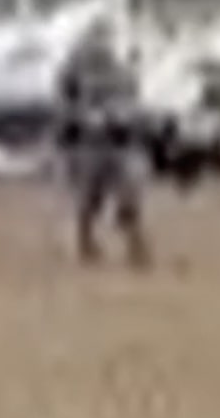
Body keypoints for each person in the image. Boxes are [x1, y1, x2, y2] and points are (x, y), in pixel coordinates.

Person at [54, 20, 150, 268]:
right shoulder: (74, 69)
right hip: (90, 142)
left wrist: (127, 115)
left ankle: (135, 243)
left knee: (130, 190)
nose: (101, 44)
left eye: (105, 38)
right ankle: (85, 239)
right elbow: (62, 103)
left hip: (122, 139)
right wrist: (80, 118)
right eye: (97, 38)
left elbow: (134, 98)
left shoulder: (123, 68)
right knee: (90, 197)